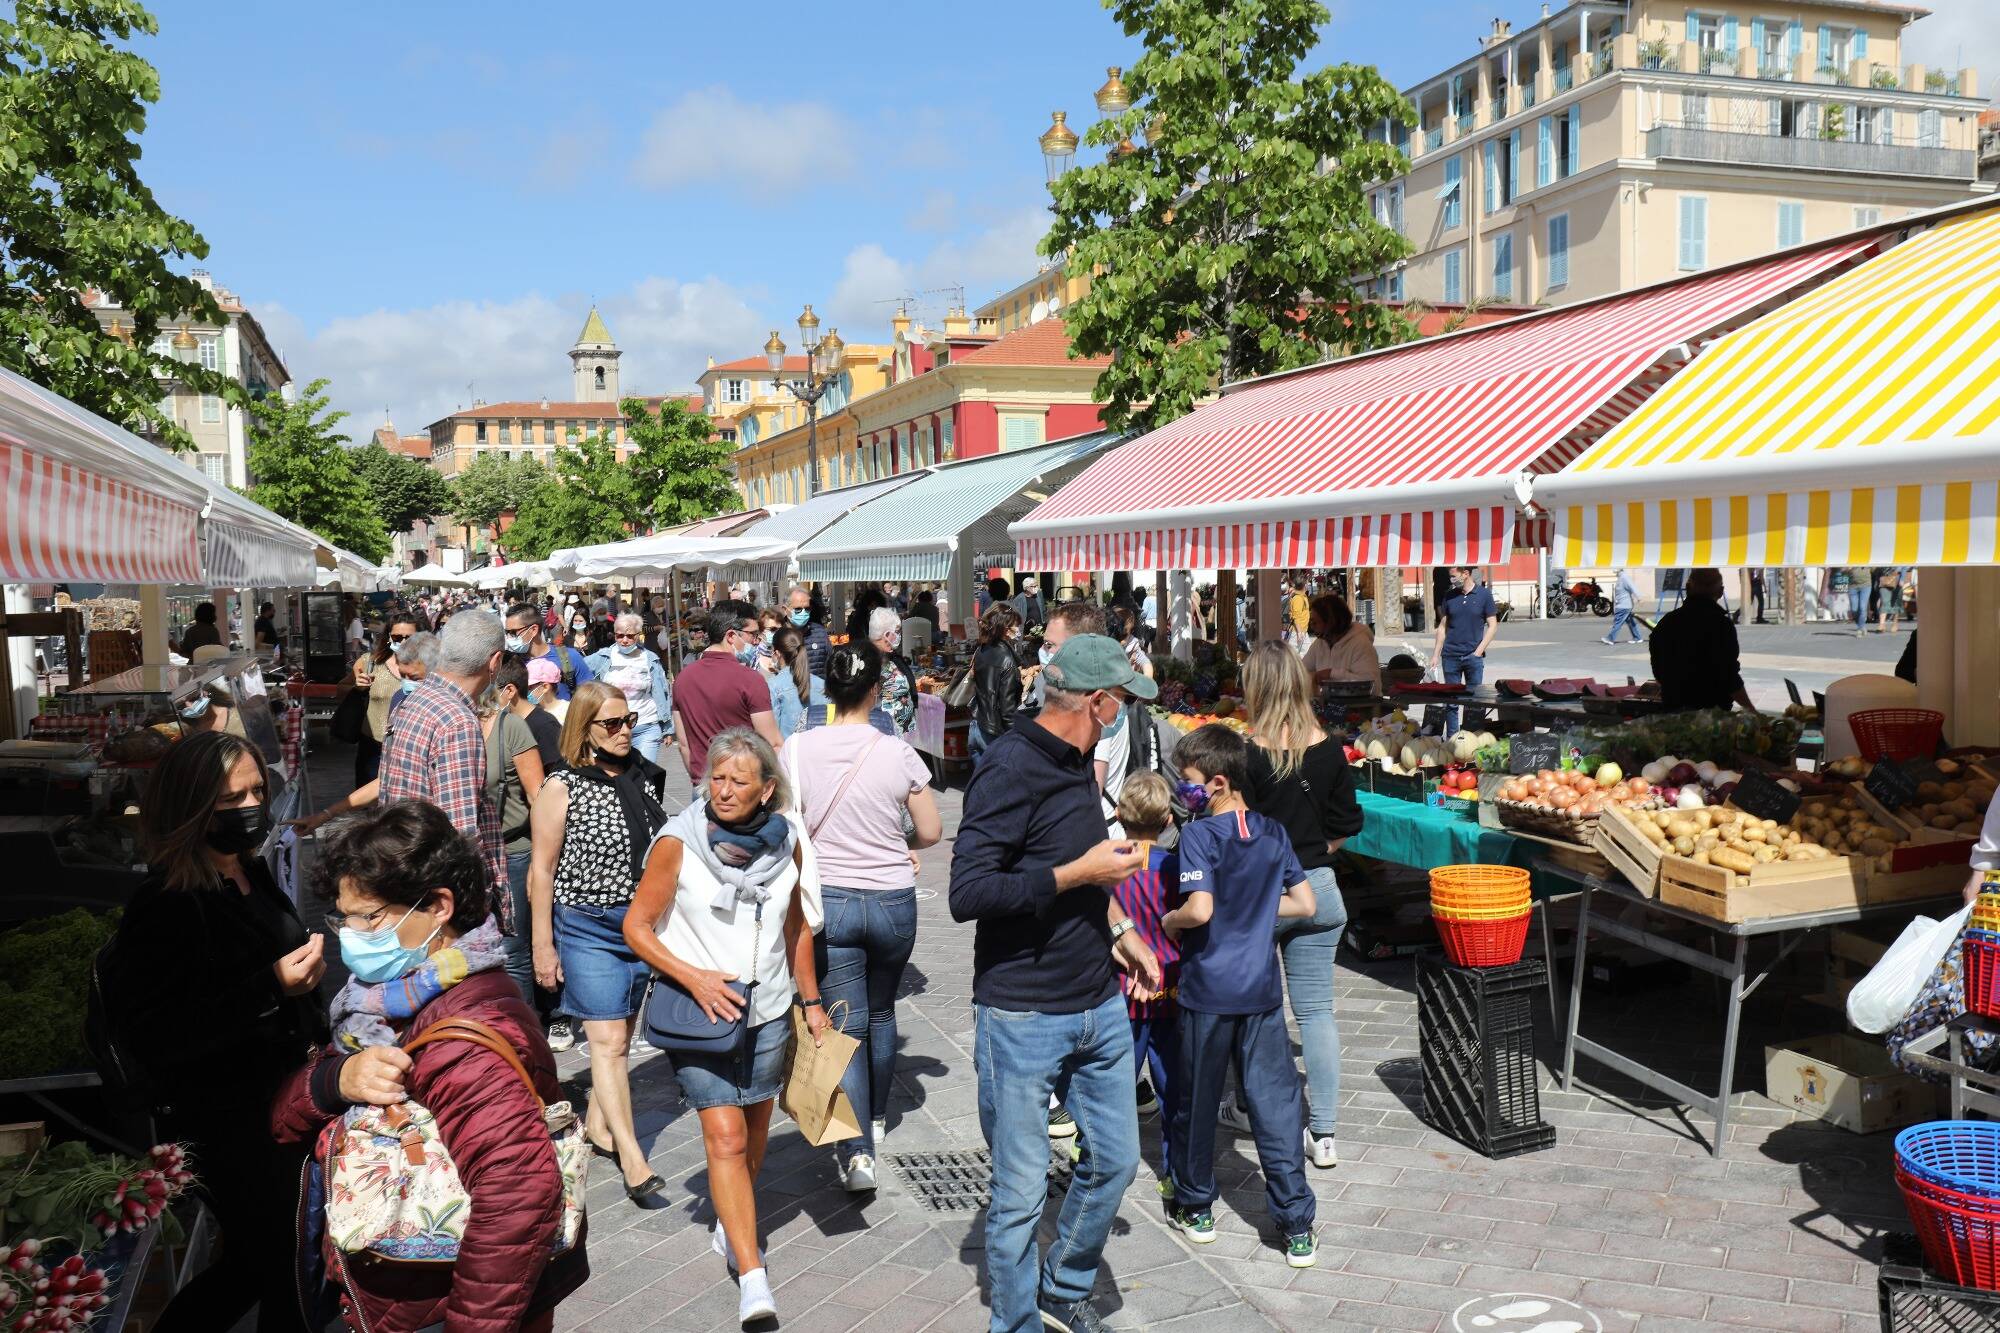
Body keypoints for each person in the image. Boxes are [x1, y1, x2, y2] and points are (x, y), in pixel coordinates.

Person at [271, 802, 588, 1333]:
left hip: (432, 1305)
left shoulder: (465, 1035)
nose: (350, 935)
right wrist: (335, 1080)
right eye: (343, 917)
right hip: (391, 1293)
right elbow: (283, 1119)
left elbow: (518, 1191)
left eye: (369, 918)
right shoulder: (381, 1004)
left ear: (439, 906)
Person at [948, 635, 1164, 1333]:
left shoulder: (1077, 763)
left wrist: (1122, 931)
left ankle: (1063, 1283)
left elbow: (1079, 868)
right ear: (1095, 702)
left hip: (1096, 997)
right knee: (1019, 1193)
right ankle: (1015, 1323)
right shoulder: (1009, 766)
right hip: (1021, 1013)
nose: (1126, 712)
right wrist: (1079, 874)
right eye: (1122, 701)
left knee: (1118, 1159)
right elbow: (968, 892)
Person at [97, 733, 335, 1333]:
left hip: (283, 1105)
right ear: (191, 807)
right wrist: (271, 988)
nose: (251, 806)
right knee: (282, 1264)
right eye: (231, 799)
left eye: (257, 791)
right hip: (229, 1124)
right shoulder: (167, 902)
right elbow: (160, 1031)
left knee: (265, 1262)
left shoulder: (246, 869)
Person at [623, 729, 827, 1327]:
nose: (725, 790)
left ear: (767, 791)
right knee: (727, 1138)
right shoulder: (677, 842)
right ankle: (752, 1274)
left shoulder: (788, 841)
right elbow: (637, 926)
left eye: (740, 781)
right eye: (717, 778)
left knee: (756, 1128)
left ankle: (730, 1219)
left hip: (769, 1011)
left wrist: (812, 1002)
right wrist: (695, 978)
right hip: (702, 1016)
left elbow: (797, 927)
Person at [781, 644, 943, 1191]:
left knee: (844, 1021)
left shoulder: (796, 749)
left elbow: (785, 821)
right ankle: (875, 1117)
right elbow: (931, 831)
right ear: (876, 690)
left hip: (830, 899)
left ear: (826, 691)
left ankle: (858, 1155)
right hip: (893, 899)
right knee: (881, 1011)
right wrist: (895, 841)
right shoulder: (896, 751)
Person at [1162, 723, 1318, 1266]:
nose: (1183, 790)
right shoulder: (1274, 832)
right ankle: (1296, 1225)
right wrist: (1253, 911)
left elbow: (1200, 909)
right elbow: (1305, 904)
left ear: (1218, 782)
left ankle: (1195, 1207)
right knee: (1276, 1108)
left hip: (1207, 991)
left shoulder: (1200, 836)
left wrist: (1170, 921)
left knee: (1197, 1102)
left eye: (1188, 780)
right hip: (1261, 992)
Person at [528, 681, 670, 1204]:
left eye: (628, 720)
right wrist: (543, 946)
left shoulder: (642, 777)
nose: (624, 730)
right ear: (584, 729)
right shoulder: (560, 787)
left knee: (621, 1040)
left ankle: (597, 1126)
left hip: (638, 927)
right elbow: (541, 872)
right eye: (611, 723)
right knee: (608, 1044)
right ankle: (633, 1158)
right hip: (586, 926)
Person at [1238, 644, 1361, 1170]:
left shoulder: (1248, 754)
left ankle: (1247, 1108)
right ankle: (1325, 1134)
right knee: (1316, 1013)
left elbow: (1236, 833)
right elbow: (1347, 826)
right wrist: (1310, 854)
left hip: (1264, 897)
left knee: (1249, 1008)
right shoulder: (1329, 749)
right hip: (1321, 891)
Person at [379, 612, 509, 933]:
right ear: (495, 662)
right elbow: (460, 833)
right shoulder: (457, 721)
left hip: (406, 875)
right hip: (442, 905)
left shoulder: (415, 701)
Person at [1108, 772, 1183, 1193]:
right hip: (1171, 987)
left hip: (1123, 991)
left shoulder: (1108, 866)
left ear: (1119, 816)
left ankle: (1099, 1159)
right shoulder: (1176, 868)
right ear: (1168, 819)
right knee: (1173, 1085)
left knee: (1114, 1082)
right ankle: (1174, 1173)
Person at [480, 672, 547, 1006]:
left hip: (513, 853)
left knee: (512, 949)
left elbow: (538, 798)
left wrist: (540, 864)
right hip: (465, 857)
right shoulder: (450, 724)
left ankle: (524, 1026)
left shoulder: (511, 727)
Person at [673, 601, 784, 781]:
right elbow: (773, 744)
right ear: (731, 635)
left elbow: (684, 745)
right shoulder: (750, 680)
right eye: (753, 634)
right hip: (743, 783)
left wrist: (699, 781)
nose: (757, 641)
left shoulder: (682, 679)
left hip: (704, 783)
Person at [1648, 567, 1755, 712]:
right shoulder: (1720, 625)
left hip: (1673, 708)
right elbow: (1728, 675)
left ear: (1687, 589)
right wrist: (1751, 710)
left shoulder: (1667, 622)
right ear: (1720, 592)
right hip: (1712, 713)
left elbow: (1658, 669)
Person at [586, 612, 673, 765]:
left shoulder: (650, 659)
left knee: (644, 773)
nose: (625, 640)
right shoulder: (603, 657)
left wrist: (667, 728)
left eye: (630, 636)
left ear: (638, 636)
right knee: (619, 775)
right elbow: (578, 669)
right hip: (613, 728)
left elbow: (663, 694)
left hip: (646, 726)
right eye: (619, 636)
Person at [351, 615, 420, 785]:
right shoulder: (370, 662)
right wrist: (357, 686)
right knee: (369, 798)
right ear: (389, 637)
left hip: (412, 748)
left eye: (409, 637)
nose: (403, 642)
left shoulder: (430, 667)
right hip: (374, 747)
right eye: (397, 637)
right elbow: (340, 690)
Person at [1431, 566, 1497, 734]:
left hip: (1472, 658)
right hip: (1450, 657)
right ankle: (1452, 739)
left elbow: (1492, 625)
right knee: (1451, 703)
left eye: (1454, 576)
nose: (1451, 580)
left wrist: (1478, 652)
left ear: (1466, 574)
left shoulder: (1484, 595)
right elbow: (1443, 626)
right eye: (1450, 577)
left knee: (1474, 703)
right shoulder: (1449, 596)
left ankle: (1472, 739)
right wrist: (1436, 654)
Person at [506, 601, 594, 701]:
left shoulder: (567, 656)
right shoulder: (511, 663)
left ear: (533, 630)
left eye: (513, 632)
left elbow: (590, 697)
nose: (508, 637)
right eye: (507, 632)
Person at [969, 604, 1025, 761]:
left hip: (976, 725)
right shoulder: (1007, 662)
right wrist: (1016, 738)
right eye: (1016, 625)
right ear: (1006, 629)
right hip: (993, 733)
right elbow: (1007, 710)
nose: (1019, 629)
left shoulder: (982, 649)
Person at [1301, 593, 1380, 692]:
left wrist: (1332, 674)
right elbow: (1301, 669)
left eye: (1315, 622)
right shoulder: (1320, 643)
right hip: (1329, 700)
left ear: (1331, 622)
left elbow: (1372, 684)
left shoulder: (1360, 644)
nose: (1311, 626)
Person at [501, 658, 565, 775]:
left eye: (530, 687)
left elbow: (558, 772)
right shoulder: (511, 721)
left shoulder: (546, 724)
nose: (526, 691)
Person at [765, 625, 826, 739]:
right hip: (818, 747)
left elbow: (773, 734)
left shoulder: (773, 686)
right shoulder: (821, 684)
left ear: (777, 653)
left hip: (788, 748)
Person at [870, 606, 917, 734]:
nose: (899, 636)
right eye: (897, 632)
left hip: (904, 733)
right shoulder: (869, 662)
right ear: (886, 634)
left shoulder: (892, 658)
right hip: (886, 733)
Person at [785, 584, 833, 677]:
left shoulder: (820, 632)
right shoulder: (780, 636)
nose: (803, 612)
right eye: (798, 609)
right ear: (785, 610)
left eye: (807, 609)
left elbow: (830, 663)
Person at [1603, 569, 1644, 645]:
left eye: (1615, 570)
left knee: (1618, 622)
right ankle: (1638, 638)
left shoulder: (1624, 578)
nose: (1614, 572)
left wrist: (1639, 598)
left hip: (1623, 606)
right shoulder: (1621, 578)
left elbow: (1633, 587)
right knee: (1630, 622)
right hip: (1624, 605)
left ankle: (1610, 639)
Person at [527, 655, 570, 726]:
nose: (527, 692)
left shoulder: (567, 711)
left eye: (530, 687)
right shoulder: (533, 714)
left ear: (545, 687)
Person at [1284, 579, 1310, 652]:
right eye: (1307, 583)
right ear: (1304, 585)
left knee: (1303, 653)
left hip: (1302, 630)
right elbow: (1296, 617)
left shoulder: (1303, 596)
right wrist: (1299, 632)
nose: (1308, 585)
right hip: (1297, 632)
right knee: (1296, 653)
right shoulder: (1298, 598)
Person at [1878, 567, 1905, 634]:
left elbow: (1905, 566)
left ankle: (1895, 623)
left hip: (1897, 580)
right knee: (1884, 601)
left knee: (1896, 603)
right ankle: (1881, 624)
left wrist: (1902, 579)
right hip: (1884, 579)